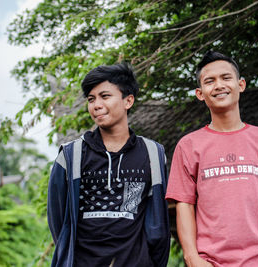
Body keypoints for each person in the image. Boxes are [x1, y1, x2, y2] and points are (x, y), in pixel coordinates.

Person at [165, 51, 258, 267]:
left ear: (241, 84)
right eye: (210, 81)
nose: (219, 85)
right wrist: (191, 257)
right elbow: (184, 205)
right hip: (211, 263)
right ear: (200, 93)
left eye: (226, 78)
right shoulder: (188, 146)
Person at [47, 63, 170, 267]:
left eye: (105, 96)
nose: (96, 105)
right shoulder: (71, 155)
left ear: (128, 100)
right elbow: (59, 222)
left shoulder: (152, 153)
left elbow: (158, 222)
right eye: (91, 99)